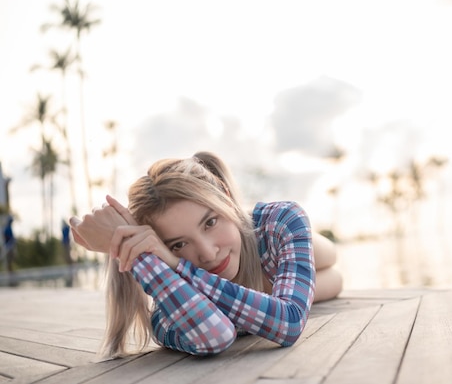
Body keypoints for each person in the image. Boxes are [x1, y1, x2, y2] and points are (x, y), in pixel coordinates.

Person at [70, 151, 343, 358]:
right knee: (333, 281)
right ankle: (266, 284)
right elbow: (216, 337)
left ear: (224, 196)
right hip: (263, 277)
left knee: (329, 259)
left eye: (210, 222)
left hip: (260, 239)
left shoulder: (279, 222)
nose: (208, 253)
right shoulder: (169, 307)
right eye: (177, 245)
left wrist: (179, 263)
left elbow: (289, 322)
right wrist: (135, 254)